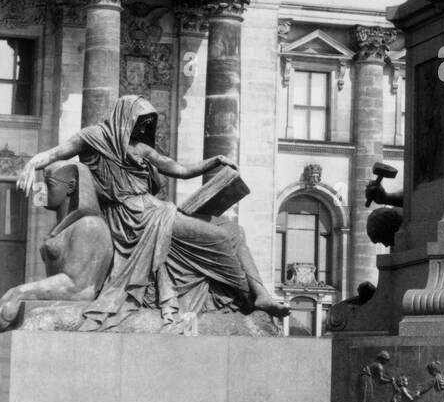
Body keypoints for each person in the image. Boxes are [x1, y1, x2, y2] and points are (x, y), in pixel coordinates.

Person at [16, 95, 289, 329]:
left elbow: (180, 169)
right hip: (133, 219)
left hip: (156, 211)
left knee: (232, 229)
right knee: (217, 238)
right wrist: (32, 164)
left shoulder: (143, 148)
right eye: (141, 121)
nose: (145, 126)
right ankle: (246, 299)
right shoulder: (94, 137)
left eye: (148, 122)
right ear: (125, 117)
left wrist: (214, 162)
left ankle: (261, 294)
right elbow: (57, 153)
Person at [0, 161, 113, 329]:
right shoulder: (62, 229)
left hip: (82, 310)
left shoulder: (89, 226)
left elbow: (78, 288)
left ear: (71, 187)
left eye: (49, 184)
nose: (42, 190)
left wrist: (19, 293)